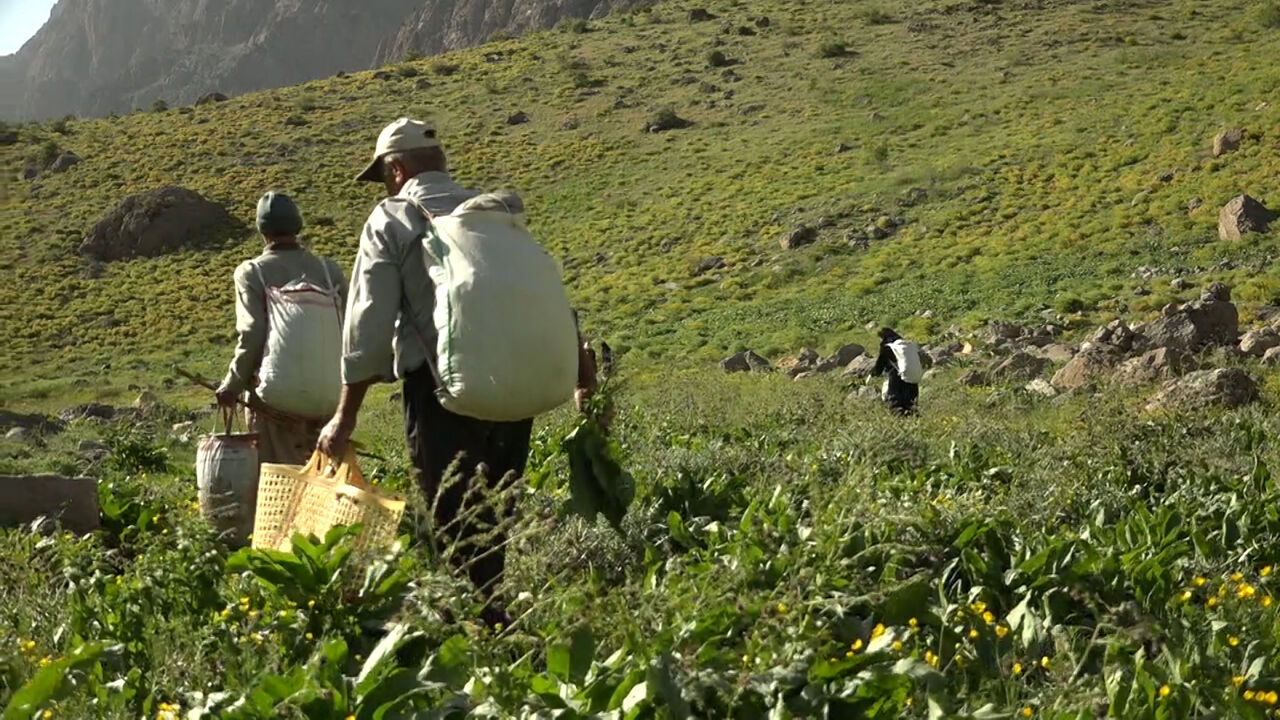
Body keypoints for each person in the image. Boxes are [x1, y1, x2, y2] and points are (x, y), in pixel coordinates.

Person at [316, 117, 596, 627]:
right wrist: (582, 374)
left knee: (454, 520)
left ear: (396, 169)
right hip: (514, 382)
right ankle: (492, 620)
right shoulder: (493, 212)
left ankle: (472, 636)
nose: (384, 185)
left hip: (442, 389)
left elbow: (367, 326)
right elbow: (537, 293)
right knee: (494, 519)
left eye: (383, 175)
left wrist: (344, 418)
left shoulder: (392, 217)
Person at [216, 192, 347, 464]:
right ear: (297, 226)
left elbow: (252, 334)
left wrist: (232, 386)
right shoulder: (328, 271)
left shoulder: (252, 273)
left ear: (262, 231)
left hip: (276, 403)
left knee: (277, 481)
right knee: (321, 481)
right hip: (330, 397)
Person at [871, 327, 922, 415]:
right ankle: (914, 422)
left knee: (896, 405)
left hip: (896, 378)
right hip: (912, 377)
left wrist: (873, 374)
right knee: (911, 405)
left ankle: (900, 422)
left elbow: (879, 366)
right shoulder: (906, 346)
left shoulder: (888, 347)